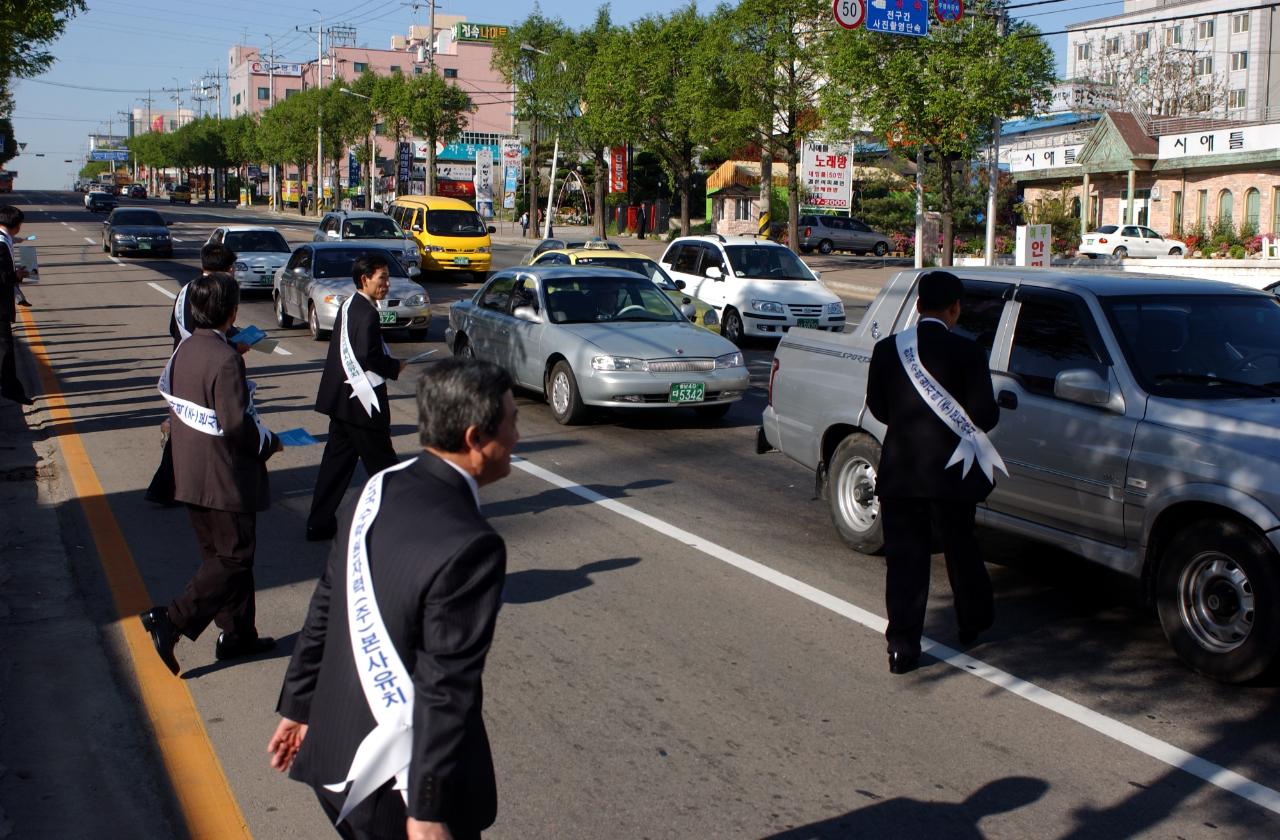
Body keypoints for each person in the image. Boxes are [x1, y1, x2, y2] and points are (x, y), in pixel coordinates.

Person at [269, 357, 517, 840]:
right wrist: (426, 810)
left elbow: (326, 604)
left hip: (333, 748)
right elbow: (447, 686)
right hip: (395, 789)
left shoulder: (379, 486)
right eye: (511, 421)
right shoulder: (472, 545)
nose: (517, 437)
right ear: (473, 439)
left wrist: (297, 706)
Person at [139, 273, 282, 675]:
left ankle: (238, 634)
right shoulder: (225, 359)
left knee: (217, 556)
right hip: (224, 478)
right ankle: (172, 620)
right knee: (235, 558)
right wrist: (269, 443)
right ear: (231, 311)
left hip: (191, 472)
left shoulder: (184, 350)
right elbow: (236, 426)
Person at [865, 270, 1002, 675]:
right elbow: (984, 416)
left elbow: (878, 408)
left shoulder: (888, 350)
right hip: (952, 476)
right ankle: (972, 623)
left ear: (919, 305)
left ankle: (902, 648)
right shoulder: (969, 352)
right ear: (955, 309)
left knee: (906, 564)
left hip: (903, 473)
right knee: (962, 551)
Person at [306, 252, 406, 542]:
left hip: (342, 401)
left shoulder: (349, 305)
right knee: (384, 465)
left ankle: (318, 523)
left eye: (387, 277)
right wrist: (394, 367)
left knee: (335, 467)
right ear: (365, 279)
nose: (387, 284)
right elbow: (367, 356)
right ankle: (404, 519)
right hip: (362, 405)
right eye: (382, 278)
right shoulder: (369, 314)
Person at [147, 242, 243, 506]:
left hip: (183, 365)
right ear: (227, 268)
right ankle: (169, 488)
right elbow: (211, 333)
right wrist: (235, 346)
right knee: (198, 427)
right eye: (232, 267)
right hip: (203, 369)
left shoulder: (186, 290)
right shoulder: (215, 292)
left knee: (187, 426)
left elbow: (174, 329)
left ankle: (167, 488)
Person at [0, 206, 33, 405]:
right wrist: (17, 275)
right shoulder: (1, 244)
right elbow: (2, 276)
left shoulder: (5, 240)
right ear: (17, 226)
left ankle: (11, 386)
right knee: (5, 347)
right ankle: (10, 388)